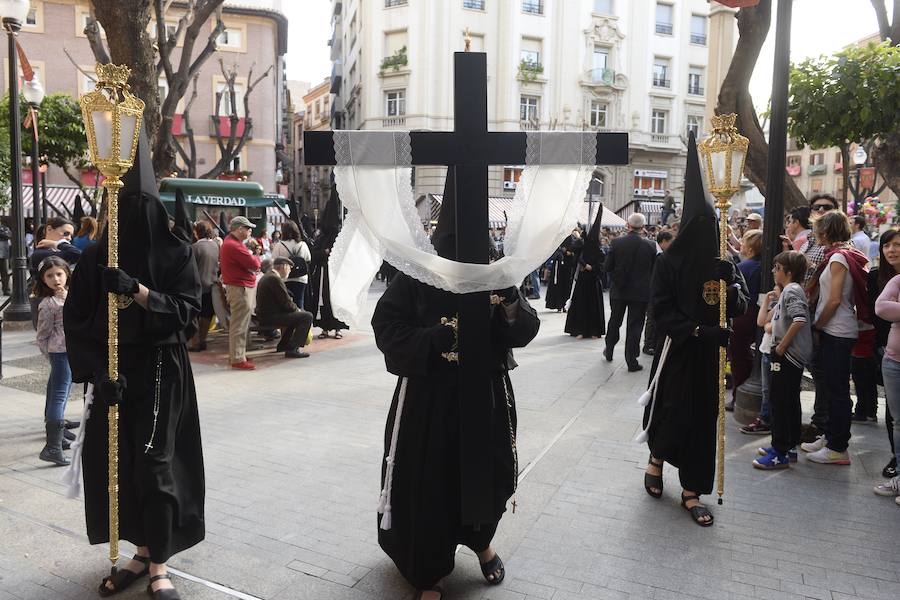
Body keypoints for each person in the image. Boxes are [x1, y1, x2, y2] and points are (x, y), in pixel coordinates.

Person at [370, 168, 540, 599]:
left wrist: (510, 306)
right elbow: (387, 325)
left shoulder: (497, 274)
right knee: (431, 481)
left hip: (484, 395)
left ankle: (481, 542)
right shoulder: (418, 275)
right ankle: (428, 568)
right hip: (430, 400)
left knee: (487, 472)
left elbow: (524, 329)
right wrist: (430, 340)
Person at [64, 126, 204, 600]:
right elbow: (78, 320)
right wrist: (97, 375)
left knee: (154, 463)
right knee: (118, 465)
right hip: (114, 376)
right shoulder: (93, 261)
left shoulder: (177, 253)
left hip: (163, 371)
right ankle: (141, 550)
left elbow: (187, 313)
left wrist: (138, 292)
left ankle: (160, 563)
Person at [641, 134, 749, 527]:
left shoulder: (725, 260)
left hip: (710, 361)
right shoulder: (667, 264)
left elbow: (740, 305)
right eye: (700, 225)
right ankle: (655, 463)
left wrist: (732, 285)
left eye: (712, 225)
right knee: (672, 417)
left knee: (705, 422)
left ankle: (692, 490)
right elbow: (661, 310)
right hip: (680, 353)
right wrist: (700, 332)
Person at [801, 210, 869, 465]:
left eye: (818, 230)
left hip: (837, 331)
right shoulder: (837, 256)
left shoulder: (839, 258)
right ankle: (830, 437)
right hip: (835, 330)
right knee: (831, 388)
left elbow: (834, 299)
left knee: (838, 391)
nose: (815, 234)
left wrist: (818, 326)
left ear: (826, 232)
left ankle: (838, 447)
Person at [753, 252, 812, 469]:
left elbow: (799, 319)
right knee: (785, 401)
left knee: (780, 402)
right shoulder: (788, 290)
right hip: (787, 355)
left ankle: (780, 451)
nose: (773, 270)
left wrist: (782, 346)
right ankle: (786, 446)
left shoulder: (792, 290)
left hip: (788, 356)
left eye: (777, 267)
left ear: (789, 271)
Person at [800, 194, 840, 441]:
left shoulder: (837, 249)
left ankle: (822, 423)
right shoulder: (809, 239)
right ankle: (820, 421)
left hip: (821, 312)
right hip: (804, 307)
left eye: (827, 207)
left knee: (822, 371)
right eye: (817, 207)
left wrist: (818, 323)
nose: (822, 211)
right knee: (814, 367)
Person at [603, 212, 657, 371]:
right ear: (643, 227)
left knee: (615, 321)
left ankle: (610, 349)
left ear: (628, 225)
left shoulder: (617, 243)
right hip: (640, 292)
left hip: (619, 290)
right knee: (635, 326)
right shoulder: (650, 245)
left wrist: (617, 277)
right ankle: (631, 360)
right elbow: (654, 270)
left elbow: (607, 267)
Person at [34, 256, 73, 466]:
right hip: (60, 353)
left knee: (59, 391)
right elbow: (42, 334)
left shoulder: (67, 296)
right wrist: (49, 355)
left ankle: (60, 436)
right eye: (50, 276)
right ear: (43, 280)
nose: (56, 279)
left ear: (66, 273)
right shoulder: (48, 304)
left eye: (59, 273)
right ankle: (52, 446)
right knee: (59, 394)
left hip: (69, 352)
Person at [726, 229, 763, 411]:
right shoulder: (757, 265)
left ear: (750, 248)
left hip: (745, 316)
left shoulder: (746, 267)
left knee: (739, 357)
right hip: (756, 314)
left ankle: (737, 397)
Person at [307, 188, 349, 339]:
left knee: (336, 300)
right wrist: (323, 253)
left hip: (337, 275)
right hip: (323, 275)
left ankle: (338, 328)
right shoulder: (321, 238)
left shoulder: (341, 239)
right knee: (324, 300)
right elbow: (313, 255)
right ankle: (325, 327)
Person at [220, 216, 261, 370]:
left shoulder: (231, 243)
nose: (250, 231)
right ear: (239, 229)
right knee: (240, 324)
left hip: (239, 287)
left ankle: (238, 354)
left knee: (240, 323)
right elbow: (254, 264)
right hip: (240, 288)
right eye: (248, 228)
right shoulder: (234, 246)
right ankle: (237, 358)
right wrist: (254, 256)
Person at [255, 257, 314, 358]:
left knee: (295, 317)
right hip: (270, 317)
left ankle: (284, 345)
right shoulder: (274, 279)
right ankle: (293, 348)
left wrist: (296, 311)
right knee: (307, 316)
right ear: (283, 267)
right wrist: (298, 310)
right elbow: (286, 302)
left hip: (266, 315)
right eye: (289, 268)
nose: (290, 271)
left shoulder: (269, 276)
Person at [564, 209, 606, 339]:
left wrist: (591, 267)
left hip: (593, 281)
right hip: (582, 281)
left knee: (593, 307)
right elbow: (573, 252)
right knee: (581, 306)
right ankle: (580, 329)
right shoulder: (582, 246)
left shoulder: (600, 251)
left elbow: (602, 267)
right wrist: (581, 239)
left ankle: (594, 330)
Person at [188, 221, 219, 352]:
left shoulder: (194, 248)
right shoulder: (216, 246)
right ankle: (203, 340)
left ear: (196, 232)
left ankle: (195, 343)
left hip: (197, 286)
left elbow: (190, 268)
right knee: (207, 315)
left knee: (194, 315)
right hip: (211, 285)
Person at [642, 231, 674, 356]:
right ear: (664, 241)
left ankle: (653, 343)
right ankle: (648, 344)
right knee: (651, 317)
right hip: (651, 290)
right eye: (670, 242)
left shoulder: (660, 253)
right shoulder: (655, 253)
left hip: (655, 290)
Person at [271, 221, 311, 309]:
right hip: (301, 277)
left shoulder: (279, 245)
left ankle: (288, 321)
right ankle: (300, 319)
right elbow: (308, 259)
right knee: (300, 300)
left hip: (284, 277)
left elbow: (273, 260)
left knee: (285, 302)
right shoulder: (302, 244)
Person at [544, 229, 581, 312]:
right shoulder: (561, 237)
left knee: (566, 285)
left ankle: (563, 304)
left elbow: (576, 249)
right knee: (559, 284)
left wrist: (571, 253)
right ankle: (559, 305)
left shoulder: (573, 237)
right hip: (560, 265)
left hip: (567, 266)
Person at [0, 216, 10, 296]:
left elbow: (8, 235)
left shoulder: (5, 228)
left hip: (3, 254)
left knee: (5, 273)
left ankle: (6, 290)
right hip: (3, 252)